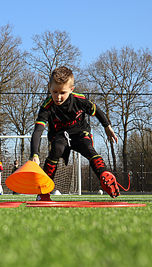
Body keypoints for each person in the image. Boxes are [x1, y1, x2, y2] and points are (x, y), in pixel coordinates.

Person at [30, 66, 120, 201]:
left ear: (71, 90)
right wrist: (34, 154)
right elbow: (37, 131)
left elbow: (98, 111)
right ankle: (44, 191)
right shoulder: (46, 106)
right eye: (54, 92)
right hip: (59, 135)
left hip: (80, 132)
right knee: (56, 150)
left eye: (63, 93)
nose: (58, 97)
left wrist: (107, 127)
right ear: (49, 87)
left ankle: (104, 175)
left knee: (88, 148)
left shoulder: (79, 100)